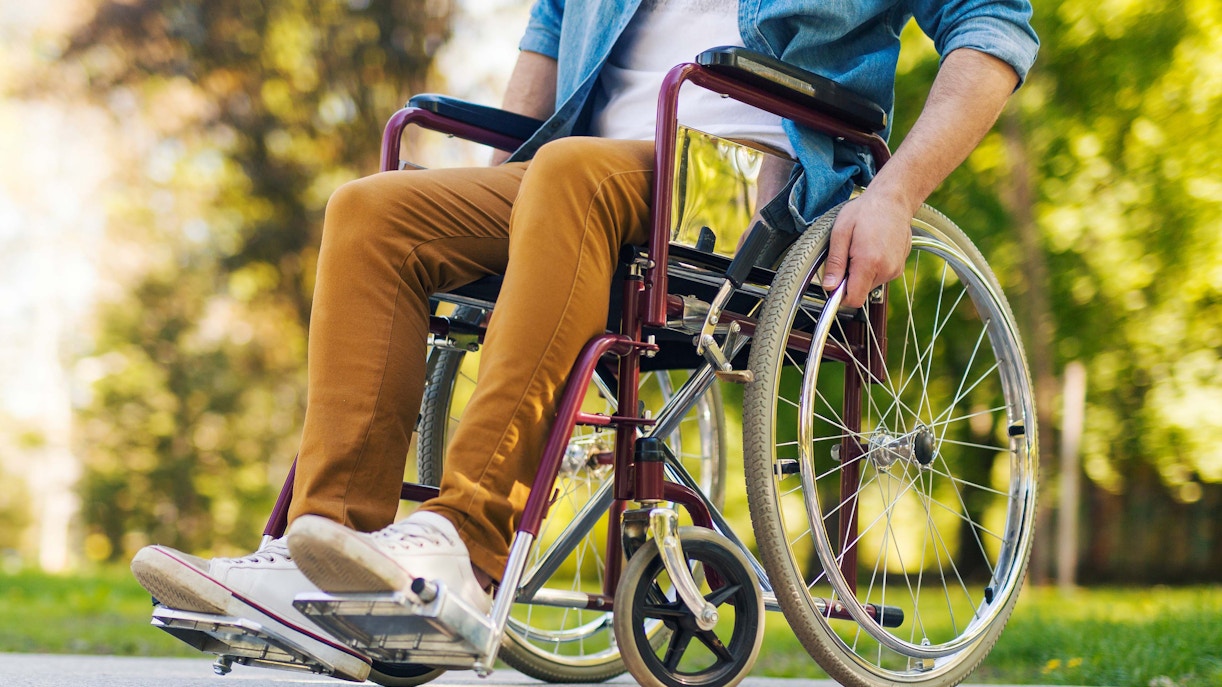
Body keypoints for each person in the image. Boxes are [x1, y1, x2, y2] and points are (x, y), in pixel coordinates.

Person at [130, 0, 1039, 679]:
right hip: (580, 173)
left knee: (568, 176)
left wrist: (897, 193)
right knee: (372, 212)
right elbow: (550, 36)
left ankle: (463, 538)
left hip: (745, 185)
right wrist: (492, 222)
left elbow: (993, 26)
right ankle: (322, 546)